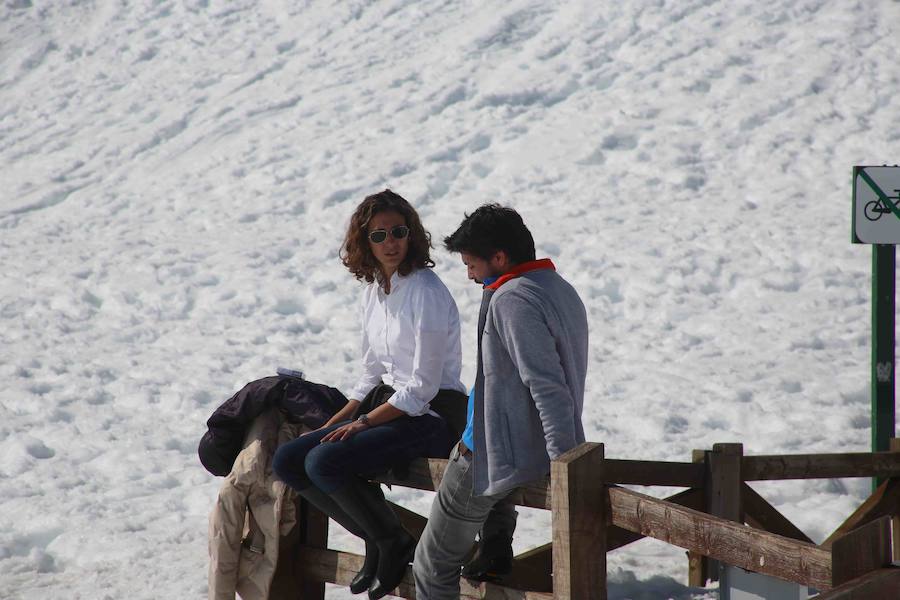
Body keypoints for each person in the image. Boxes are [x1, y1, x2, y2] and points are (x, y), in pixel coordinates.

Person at [272, 190, 467, 600]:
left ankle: (392, 541)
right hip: (388, 404)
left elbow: (422, 388)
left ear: (411, 235)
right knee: (291, 458)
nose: (391, 242)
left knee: (325, 462)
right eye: (379, 236)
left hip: (433, 415)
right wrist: (333, 422)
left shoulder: (427, 292)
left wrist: (361, 424)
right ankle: (379, 538)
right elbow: (369, 375)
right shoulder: (374, 291)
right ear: (365, 243)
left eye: (398, 232)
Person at [413, 204, 589, 599]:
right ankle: (495, 543)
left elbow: (547, 385)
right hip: (519, 450)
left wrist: (564, 464)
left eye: (471, 263)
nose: (469, 273)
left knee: (432, 566)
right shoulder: (558, 287)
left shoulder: (513, 298)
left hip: (489, 454)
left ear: (499, 257)